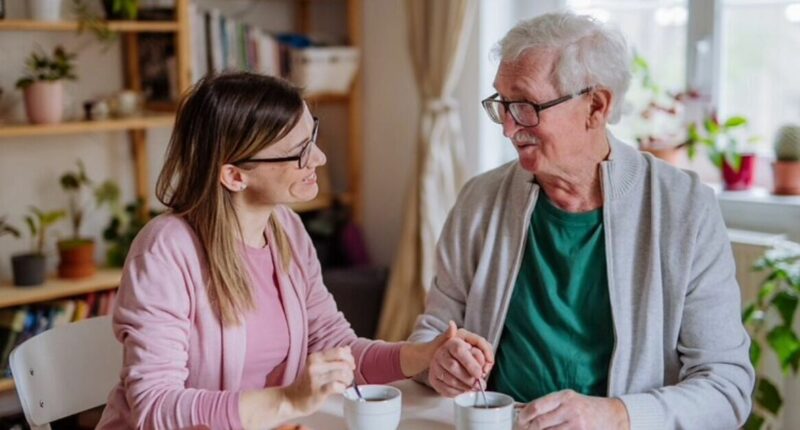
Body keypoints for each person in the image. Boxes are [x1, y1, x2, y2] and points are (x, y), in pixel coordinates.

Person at [409, 12, 755, 430]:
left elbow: (726, 388)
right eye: (502, 104)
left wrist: (615, 415)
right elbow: (432, 333)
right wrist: (437, 362)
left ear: (596, 106)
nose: (508, 128)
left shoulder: (684, 210)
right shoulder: (479, 201)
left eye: (526, 106)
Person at [96, 72, 485, 430]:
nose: (319, 158)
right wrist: (286, 401)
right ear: (235, 175)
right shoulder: (165, 251)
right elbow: (154, 408)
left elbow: (337, 348)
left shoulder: (286, 230)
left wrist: (422, 356)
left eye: (312, 138)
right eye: (299, 152)